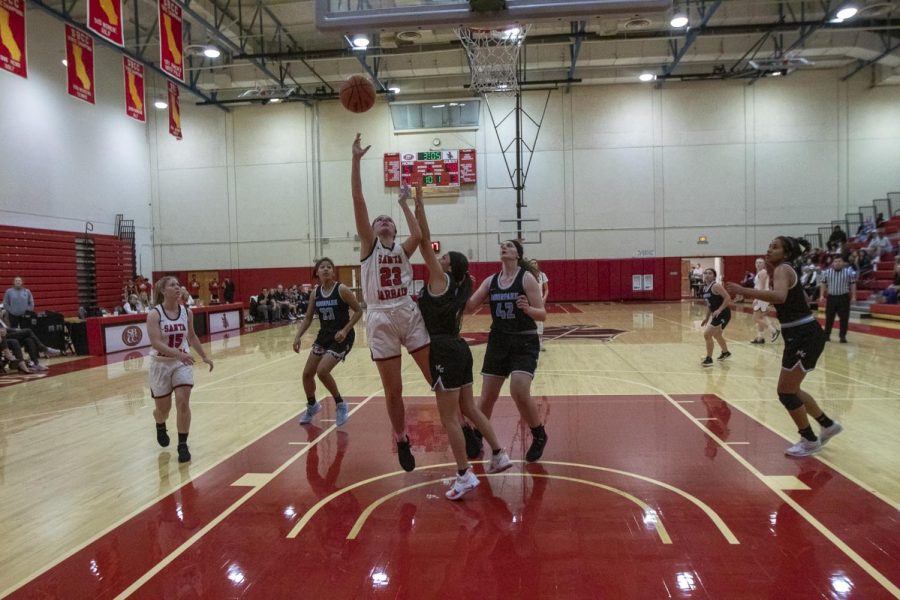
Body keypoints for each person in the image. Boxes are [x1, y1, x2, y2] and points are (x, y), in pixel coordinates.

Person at [413, 181, 513, 500]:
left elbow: (424, 240)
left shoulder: (441, 281)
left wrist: (414, 202)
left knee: (449, 417)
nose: (437, 260)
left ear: (449, 268)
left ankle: (463, 474)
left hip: (443, 348)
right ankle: (498, 452)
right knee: (468, 407)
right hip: (459, 350)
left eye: (443, 260)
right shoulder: (458, 286)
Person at [351, 133, 431, 472]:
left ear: (394, 229)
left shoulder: (402, 248)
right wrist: (355, 161)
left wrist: (404, 203)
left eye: (388, 220)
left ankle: (467, 425)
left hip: (407, 311)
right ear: (371, 231)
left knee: (435, 378)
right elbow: (358, 200)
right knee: (393, 390)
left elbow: (420, 236)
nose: (382, 221)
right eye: (378, 220)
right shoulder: (370, 247)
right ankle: (401, 437)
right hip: (380, 318)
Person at [725, 236, 842, 457]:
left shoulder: (782, 269)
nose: (769, 249)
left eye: (775, 247)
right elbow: (801, 299)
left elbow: (779, 297)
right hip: (801, 333)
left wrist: (744, 290)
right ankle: (827, 425)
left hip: (803, 335)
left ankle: (809, 440)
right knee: (793, 389)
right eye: (769, 246)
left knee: (786, 392)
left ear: (786, 253)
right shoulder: (785, 270)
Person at [466, 239, 548, 462]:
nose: (504, 247)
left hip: (524, 342)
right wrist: (462, 286)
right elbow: (470, 306)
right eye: (502, 245)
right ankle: (476, 436)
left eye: (510, 246)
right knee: (487, 397)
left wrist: (527, 308)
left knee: (519, 391)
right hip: (499, 342)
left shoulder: (527, 278)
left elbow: (542, 314)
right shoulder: (491, 281)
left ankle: (539, 434)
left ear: (517, 255)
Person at [147, 276, 214, 463]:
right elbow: (156, 343)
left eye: (178, 285)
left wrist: (204, 356)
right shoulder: (155, 314)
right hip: (161, 364)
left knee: (183, 402)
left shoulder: (187, 312)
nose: (177, 288)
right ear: (163, 291)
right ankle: (160, 422)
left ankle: (183, 444)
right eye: (172, 285)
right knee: (164, 409)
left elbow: (191, 337)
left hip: (180, 363)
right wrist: (179, 354)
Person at [293, 257, 362, 428]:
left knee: (322, 371)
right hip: (324, 335)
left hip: (342, 336)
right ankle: (312, 405)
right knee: (307, 374)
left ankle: (340, 404)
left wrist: (345, 330)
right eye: (322, 267)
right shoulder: (315, 293)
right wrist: (297, 336)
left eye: (329, 267)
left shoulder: (342, 289)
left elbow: (359, 310)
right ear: (317, 272)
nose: (325, 269)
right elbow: (308, 318)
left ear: (333, 271)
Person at [819, 255, 856, 343]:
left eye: (839, 261)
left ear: (843, 263)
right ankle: (826, 335)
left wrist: (854, 296)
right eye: (835, 261)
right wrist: (821, 296)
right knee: (829, 317)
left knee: (844, 318)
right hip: (831, 298)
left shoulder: (848, 272)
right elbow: (823, 284)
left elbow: (853, 284)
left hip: (844, 297)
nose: (837, 263)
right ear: (833, 263)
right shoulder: (827, 272)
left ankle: (842, 336)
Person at [699, 268, 732, 367]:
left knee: (707, 334)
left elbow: (728, 298)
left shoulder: (716, 286)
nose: (707, 275)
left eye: (710, 273)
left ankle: (709, 359)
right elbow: (710, 305)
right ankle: (725, 352)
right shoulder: (705, 288)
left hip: (723, 313)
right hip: (716, 314)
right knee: (717, 335)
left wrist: (720, 309)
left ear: (714, 276)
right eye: (705, 273)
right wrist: (706, 318)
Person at [750, 258, 780, 344]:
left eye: (760, 262)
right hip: (763, 297)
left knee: (756, 318)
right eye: (757, 262)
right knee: (762, 317)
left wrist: (756, 298)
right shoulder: (760, 273)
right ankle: (760, 338)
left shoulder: (763, 272)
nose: (758, 264)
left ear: (764, 264)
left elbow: (762, 288)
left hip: (762, 297)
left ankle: (774, 331)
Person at [531, 259, 549, 351]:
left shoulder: (542, 275)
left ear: (537, 264)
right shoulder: (528, 275)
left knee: (539, 322)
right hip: (530, 301)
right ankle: (530, 344)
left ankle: (540, 343)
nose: (534, 264)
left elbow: (546, 289)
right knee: (529, 321)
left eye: (535, 263)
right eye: (532, 263)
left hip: (539, 301)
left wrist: (544, 298)